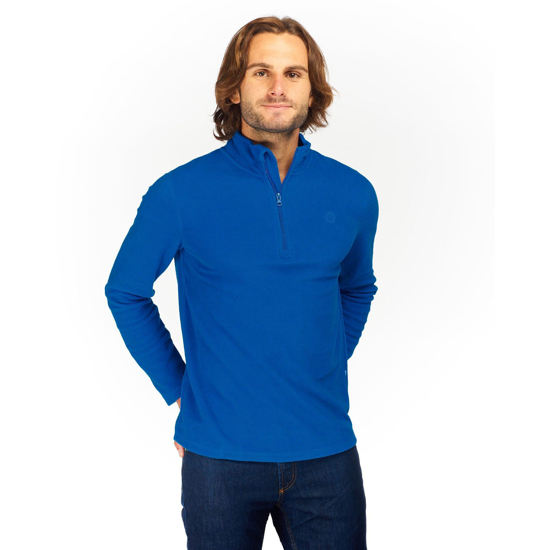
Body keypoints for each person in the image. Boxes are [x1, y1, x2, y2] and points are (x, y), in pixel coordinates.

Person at [105, 14, 379, 550]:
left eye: (293, 73)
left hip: (327, 455)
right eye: (261, 72)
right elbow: (125, 292)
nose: (278, 87)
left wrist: (322, 363)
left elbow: (357, 287)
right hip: (217, 461)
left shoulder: (353, 193)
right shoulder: (179, 192)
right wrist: (180, 390)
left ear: (312, 91)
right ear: (234, 88)